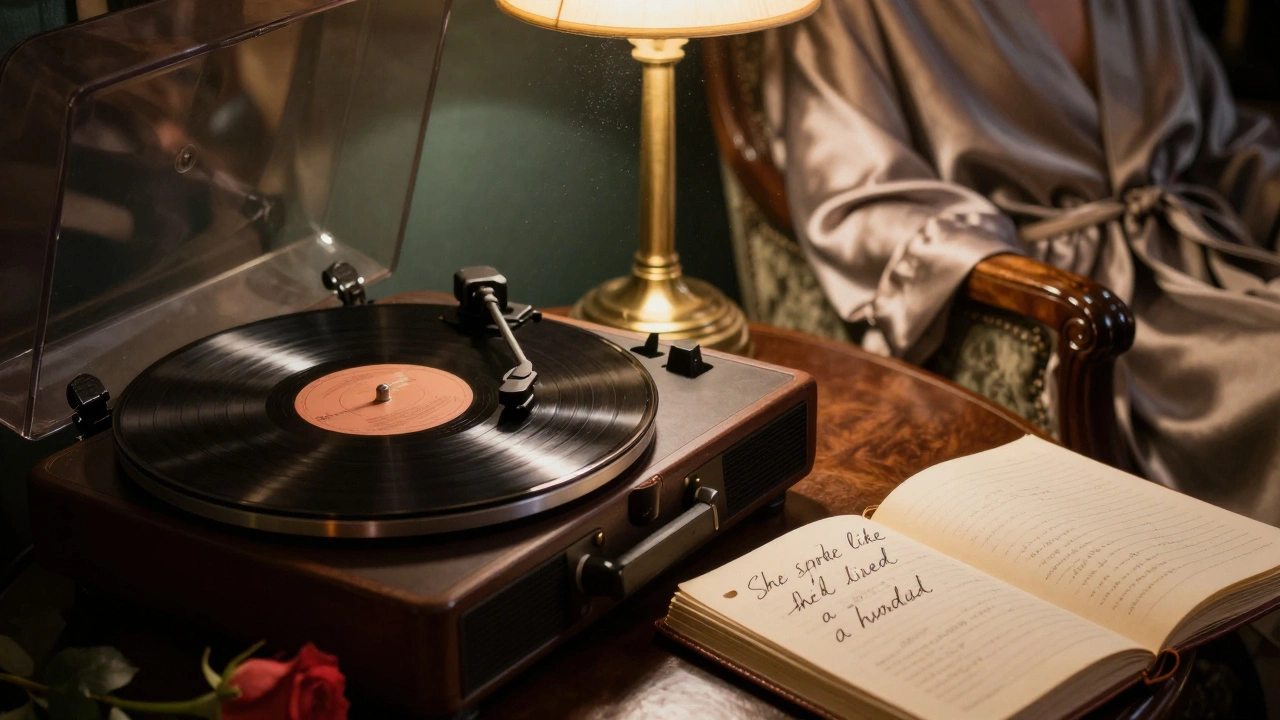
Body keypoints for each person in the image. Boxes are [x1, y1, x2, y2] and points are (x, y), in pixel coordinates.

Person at [767, 0, 1280, 526]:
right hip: (1089, 317)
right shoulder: (856, 11)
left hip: (1208, 258)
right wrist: (1020, 276)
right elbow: (863, 204)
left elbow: (1222, 139)